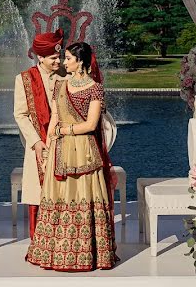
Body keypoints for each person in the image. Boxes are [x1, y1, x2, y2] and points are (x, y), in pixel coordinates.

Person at [26, 42, 118, 271]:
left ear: (81, 62)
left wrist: (64, 131)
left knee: (84, 196)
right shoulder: (60, 86)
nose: (63, 62)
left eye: (68, 59)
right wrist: (48, 149)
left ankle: (88, 254)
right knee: (57, 197)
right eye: (64, 58)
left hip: (84, 150)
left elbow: (91, 124)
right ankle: (55, 253)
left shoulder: (94, 88)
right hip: (60, 150)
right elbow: (55, 118)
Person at [13, 28, 64, 240]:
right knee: (38, 194)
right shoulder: (24, 79)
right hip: (39, 146)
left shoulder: (67, 75)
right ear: (40, 57)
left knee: (63, 193)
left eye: (59, 56)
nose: (58, 61)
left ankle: (63, 241)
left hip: (64, 143)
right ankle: (39, 242)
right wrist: (35, 142)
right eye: (53, 58)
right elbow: (20, 114)